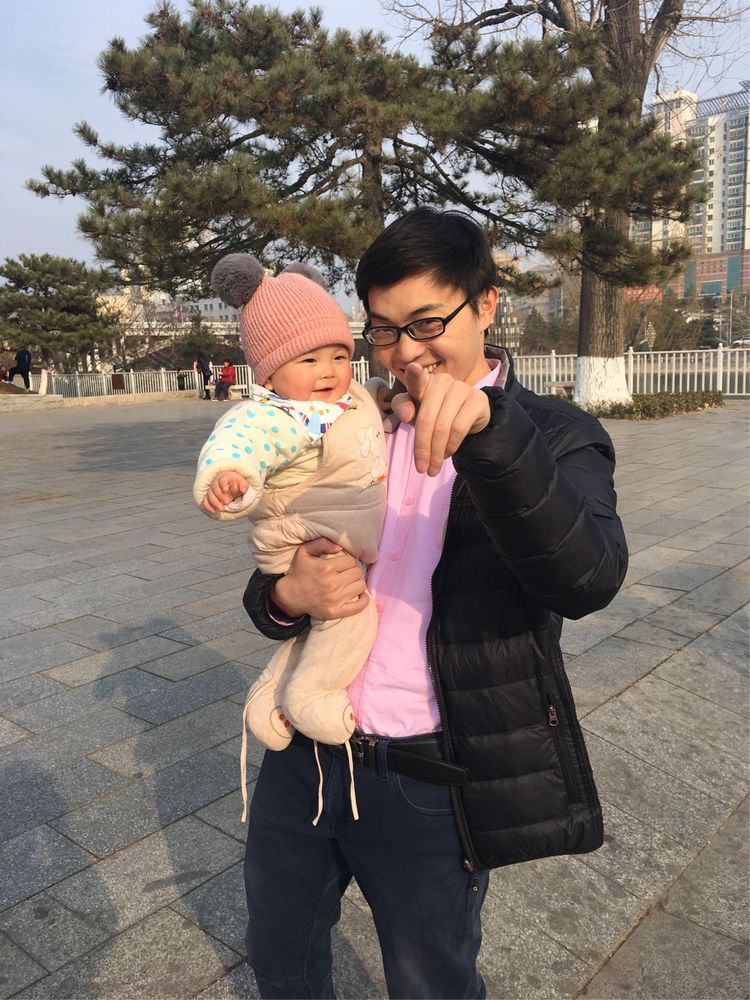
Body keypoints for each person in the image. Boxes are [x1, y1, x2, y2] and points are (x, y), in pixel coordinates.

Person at [239, 207, 629, 1000]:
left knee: (431, 984)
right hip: (303, 759)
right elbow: (274, 568)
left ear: (485, 304)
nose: (405, 352)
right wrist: (287, 594)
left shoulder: (553, 435)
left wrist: (493, 438)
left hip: (426, 780)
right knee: (281, 959)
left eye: (426, 323)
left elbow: (587, 578)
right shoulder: (354, 423)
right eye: (384, 331)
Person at [193, 255, 388, 819]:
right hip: (304, 535)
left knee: (319, 629)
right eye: (308, 359)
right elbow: (236, 444)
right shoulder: (280, 416)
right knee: (351, 617)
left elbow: (370, 405)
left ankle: (269, 698)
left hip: (333, 531)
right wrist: (230, 478)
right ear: (270, 374)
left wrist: (389, 401)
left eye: (339, 355)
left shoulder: (345, 399)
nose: (329, 371)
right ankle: (309, 696)